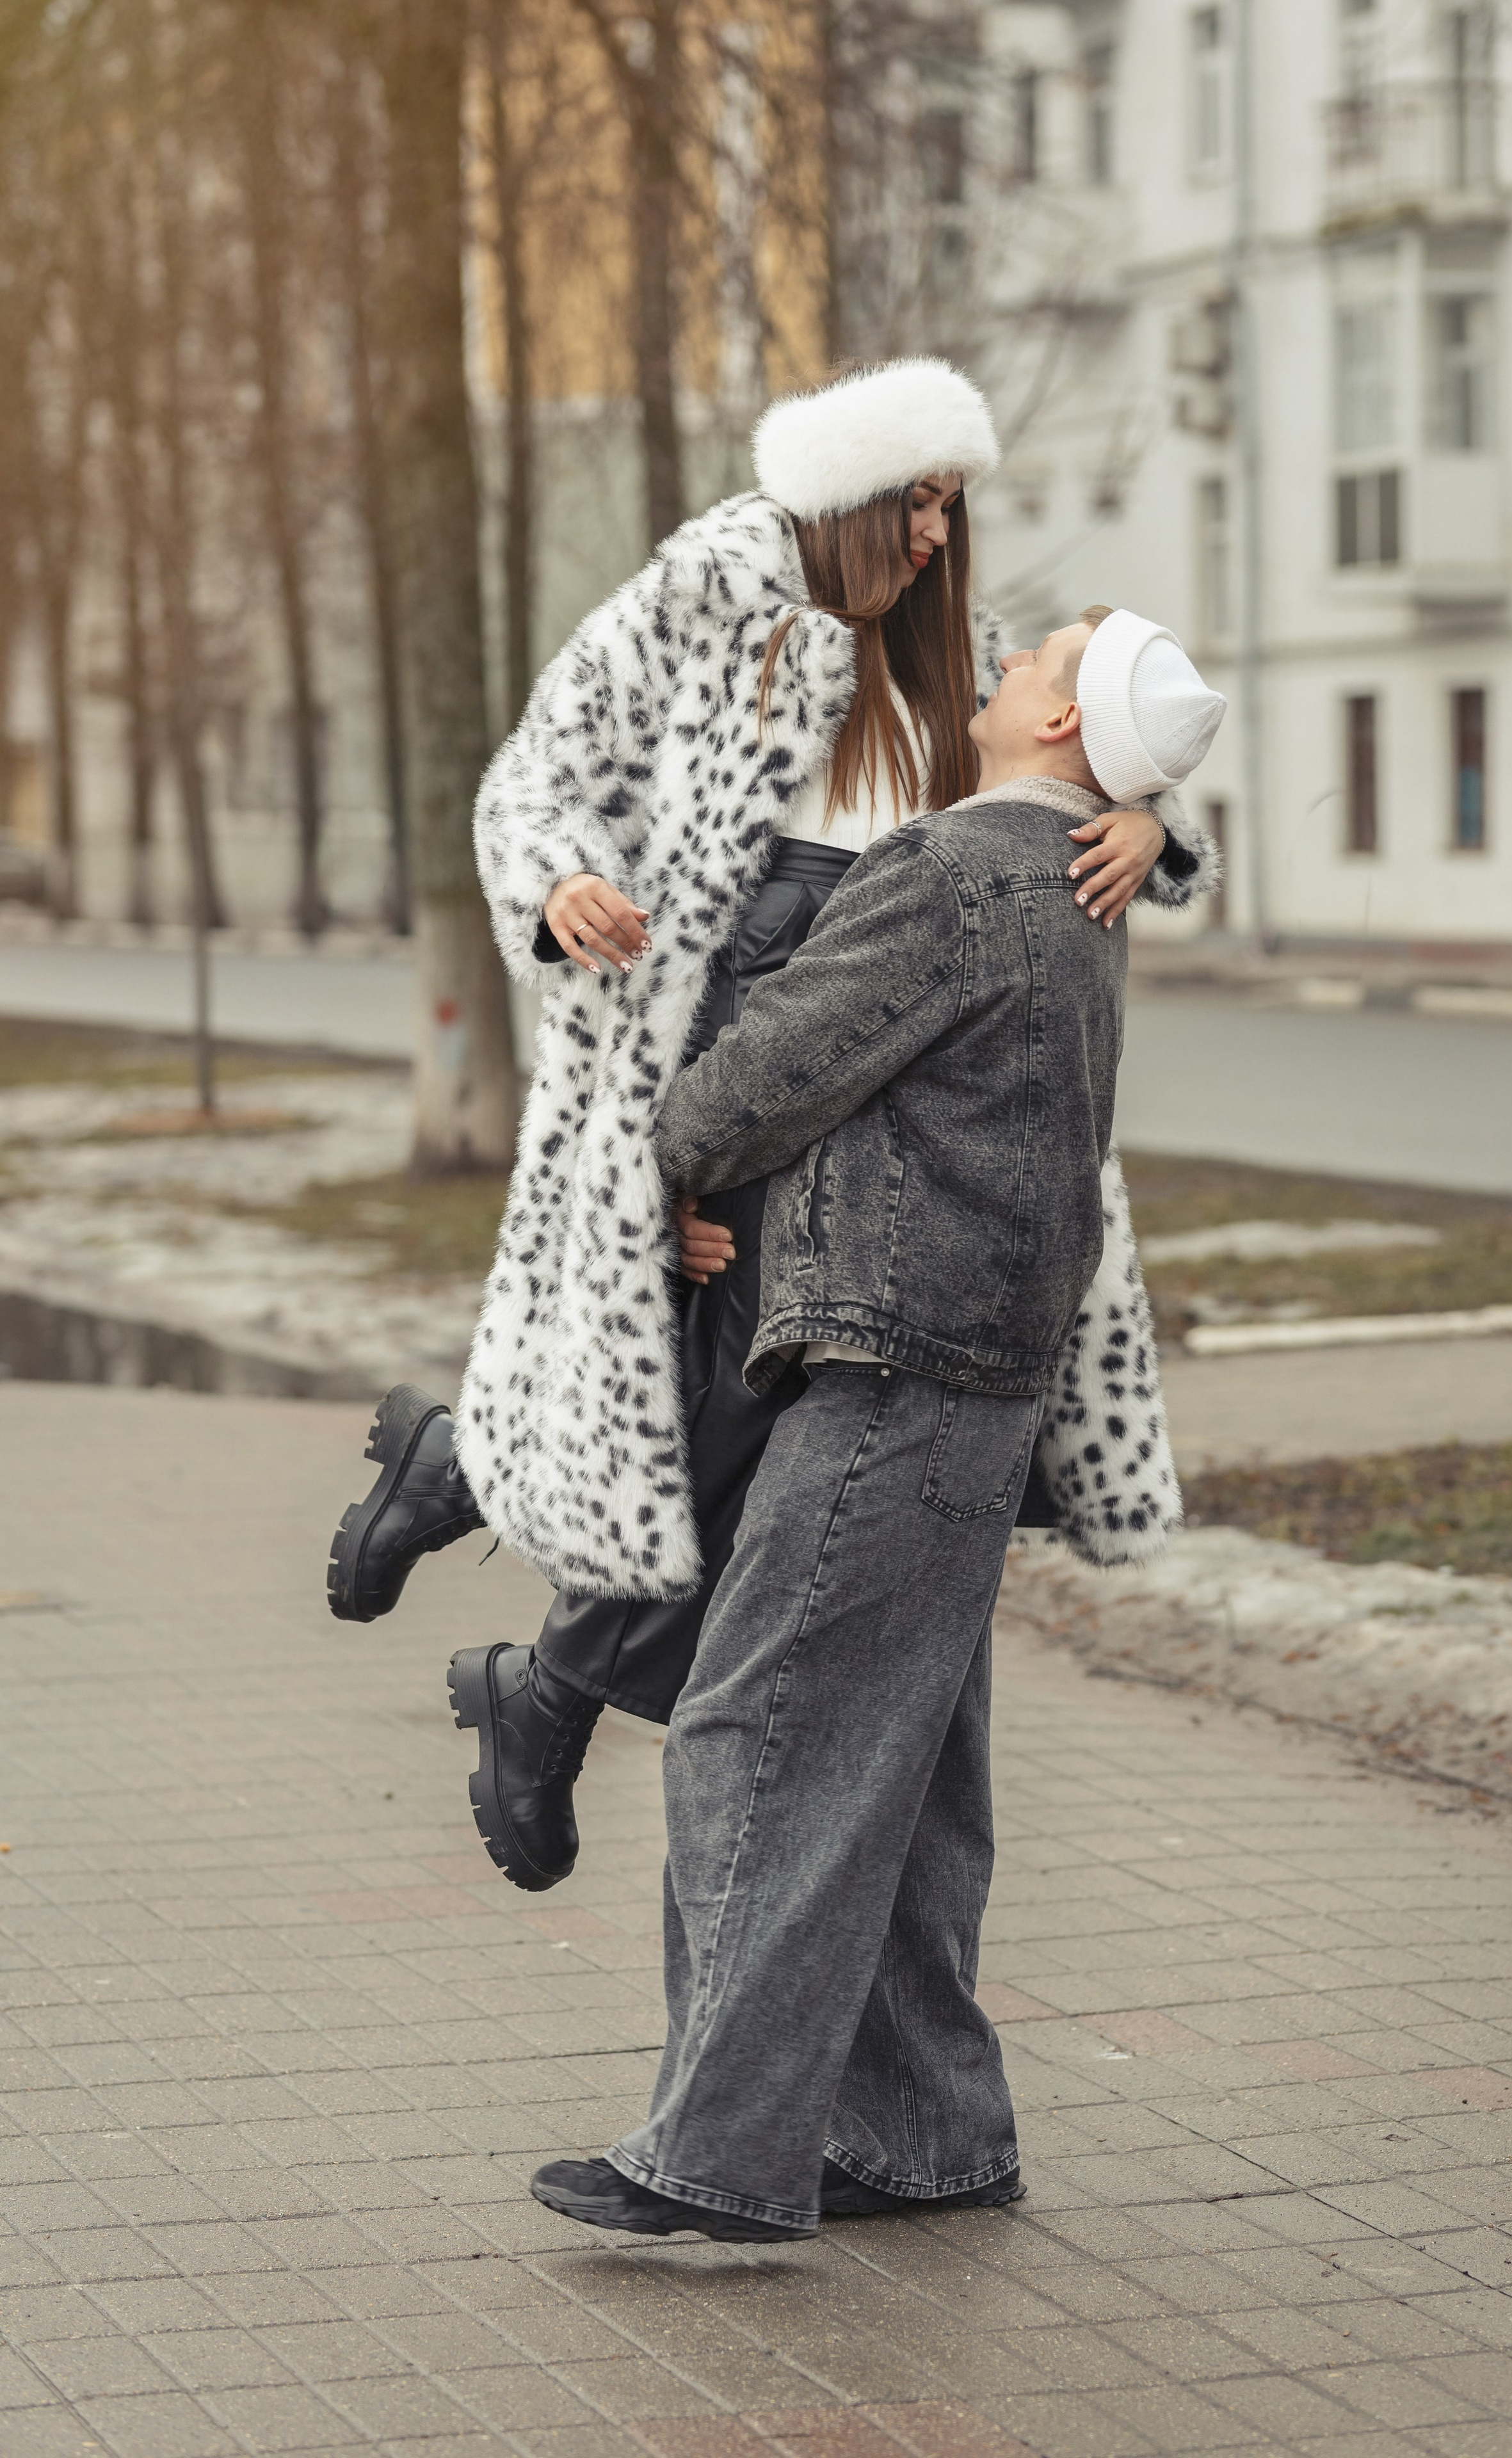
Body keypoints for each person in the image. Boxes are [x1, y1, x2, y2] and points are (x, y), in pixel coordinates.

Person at [326, 360, 1220, 1888]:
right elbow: (530, 783)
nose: (937, 538)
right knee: (733, 1420)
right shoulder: (687, 609)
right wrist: (553, 888)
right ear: (841, 500)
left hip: (872, 1063)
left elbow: (1083, 748)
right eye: (914, 503)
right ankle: (521, 1652)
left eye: (950, 506)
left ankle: (487, 1549)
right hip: (725, 1040)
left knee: (743, 1430)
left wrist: (1150, 823)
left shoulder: (966, 669)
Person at [522, 607, 1226, 2241]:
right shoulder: (1071, 877)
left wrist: (651, 1175)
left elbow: (763, 1070)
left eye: (1033, 668)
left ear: (1058, 729)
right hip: (978, 1363)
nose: (999, 677)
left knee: (754, 1733)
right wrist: (1154, 818)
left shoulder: (954, 871)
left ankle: (716, 2157)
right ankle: (927, 2136)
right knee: (898, 1766)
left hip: (892, 1356)